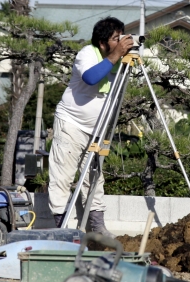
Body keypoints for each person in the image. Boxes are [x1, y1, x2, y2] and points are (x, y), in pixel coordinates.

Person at [48, 17, 134, 236]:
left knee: (95, 177)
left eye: (122, 36)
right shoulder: (87, 54)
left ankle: (96, 226)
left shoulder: (119, 58)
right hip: (71, 124)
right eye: (116, 38)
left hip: (96, 129)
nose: (121, 42)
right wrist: (116, 56)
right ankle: (61, 228)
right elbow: (91, 77)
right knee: (63, 176)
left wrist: (123, 56)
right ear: (103, 43)